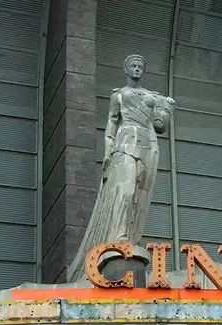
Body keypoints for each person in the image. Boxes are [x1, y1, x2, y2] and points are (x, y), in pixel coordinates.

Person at [67, 54, 175, 281]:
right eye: (133, 66)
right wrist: (107, 153)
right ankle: (119, 235)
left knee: (139, 194)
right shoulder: (118, 95)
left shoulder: (152, 96)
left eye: (140, 66)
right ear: (126, 70)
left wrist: (166, 110)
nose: (137, 69)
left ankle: (132, 237)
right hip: (125, 141)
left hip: (148, 144)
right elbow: (111, 123)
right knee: (125, 191)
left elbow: (160, 126)